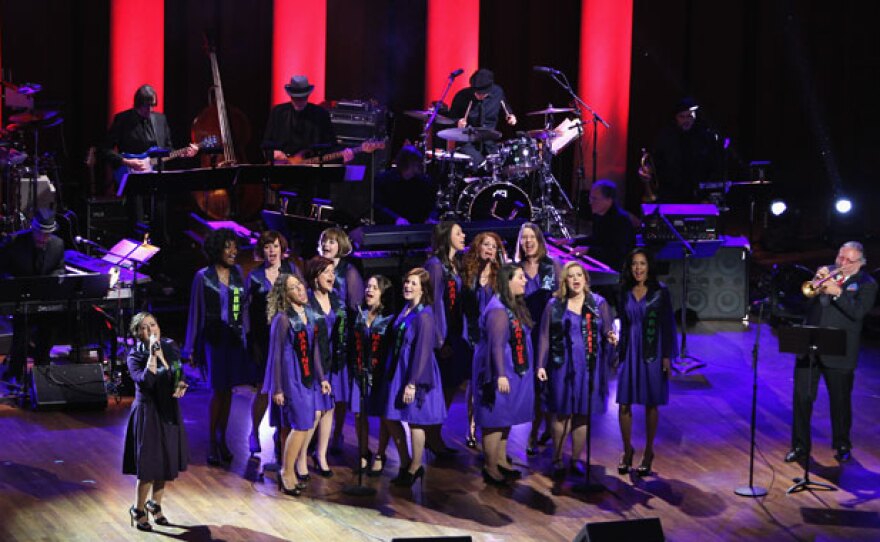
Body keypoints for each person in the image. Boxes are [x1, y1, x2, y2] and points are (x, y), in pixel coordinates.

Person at [785, 242, 877, 464]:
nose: (842, 263)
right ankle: (800, 446)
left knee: (840, 401)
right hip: (810, 345)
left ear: (860, 263)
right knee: (802, 398)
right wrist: (817, 284)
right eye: (840, 257)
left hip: (841, 350)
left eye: (848, 260)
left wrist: (838, 293)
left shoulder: (867, 284)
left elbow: (857, 313)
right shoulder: (825, 272)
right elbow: (803, 304)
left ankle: (842, 444)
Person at [536, 262, 617, 479]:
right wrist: (541, 365)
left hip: (589, 367)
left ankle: (575, 459)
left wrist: (611, 337)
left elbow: (608, 329)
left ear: (586, 279)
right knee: (562, 413)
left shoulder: (598, 304)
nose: (575, 279)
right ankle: (557, 458)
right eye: (571, 276)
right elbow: (544, 335)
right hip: (562, 366)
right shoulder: (554, 305)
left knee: (582, 414)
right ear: (565, 281)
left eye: (579, 275)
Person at [183, 228, 254, 466]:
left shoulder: (238, 273)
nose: (234, 252)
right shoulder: (202, 276)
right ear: (217, 249)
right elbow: (195, 312)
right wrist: (190, 348)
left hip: (233, 339)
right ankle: (213, 441)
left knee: (229, 391)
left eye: (235, 247)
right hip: (212, 340)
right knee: (218, 389)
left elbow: (242, 308)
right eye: (228, 247)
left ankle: (223, 439)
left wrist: (246, 336)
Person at [370, 268, 446, 487]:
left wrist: (412, 382)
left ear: (423, 288)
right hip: (397, 368)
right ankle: (405, 460)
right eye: (406, 282)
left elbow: (422, 351)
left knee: (415, 421)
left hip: (414, 371)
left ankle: (415, 466)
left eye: (413, 283)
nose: (407, 286)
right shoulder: (406, 309)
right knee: (389, 416)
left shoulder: (425, 315)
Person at [262, 273, 331, 497]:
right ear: (285, 294)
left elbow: (315, 351)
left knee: (292, 426)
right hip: (290, 378)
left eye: (300, 285)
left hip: (307, 377)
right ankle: (286, 471)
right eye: (294, 288)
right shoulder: (282, 319)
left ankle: (289, 473)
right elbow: (276, 356)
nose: (301, 290)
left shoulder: (308, 315)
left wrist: (322, 378)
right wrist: (278, 388)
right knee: (302, 424)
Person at [123, 312, 189, 531]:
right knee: (149, 465)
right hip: (148, 411)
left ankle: (155, 504)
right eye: (144, 327)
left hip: (168, 409)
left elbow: (178, 372)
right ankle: (138, 509)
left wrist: (181, 384)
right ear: (137, 333)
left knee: (166, 461)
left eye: (153, 324)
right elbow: (146, 381)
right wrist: (152, 355)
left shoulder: (170, 346)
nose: (150, 330)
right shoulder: (134, 356)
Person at [615, 248, 678, 477]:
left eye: (642, 263)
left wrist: (667, 356)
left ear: (649, 266)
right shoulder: (623, 291)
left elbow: (669, 325)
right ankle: (627, 450)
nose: (638, 268)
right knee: (624, 402)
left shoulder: (660, 292)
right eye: (634, 264)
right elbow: (622, 323)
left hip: (653, 349)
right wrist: (617, 351)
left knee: (652, 402)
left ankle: (649, 452)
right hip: (630, 349)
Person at [472, 263, 535, 485]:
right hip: (498, 371)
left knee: (505, 417)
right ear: (508, 281)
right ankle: (490, 467)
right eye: (520, 277)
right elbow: (496, 346)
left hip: (511, 370)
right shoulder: (498, 310)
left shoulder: (513, 306)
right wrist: (500, 374)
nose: (525, 281)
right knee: (494, 419)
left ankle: (501, 460)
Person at [244, 230, 303, 455]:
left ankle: (282, 432)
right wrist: (249, 338)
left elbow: (301, 297)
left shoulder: (291, 270)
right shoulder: (255, 275)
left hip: (288, 338)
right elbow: (247, 309)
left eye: (275, 246)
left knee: (285, 387)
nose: (272, 251)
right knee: (262, 389)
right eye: (268, 246)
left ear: (282, 248)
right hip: (262, 339)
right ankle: (254, 432)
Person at [0, 208, 66, 388]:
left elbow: (60, 268)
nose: (42, 238)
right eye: (39, 233)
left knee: (52, 325)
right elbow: (2, 269)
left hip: (44, 298)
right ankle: (15, 373)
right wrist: (10, 282)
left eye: (46, 234)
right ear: (33, 228)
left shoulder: (57, 245)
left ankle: (42, 371)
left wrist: (54, 279)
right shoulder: (15, 242)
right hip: (19, 299)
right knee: (22, 329)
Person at [513, 222, 562, 455]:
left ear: (540, 240)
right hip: (527, 333)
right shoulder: (515, 268)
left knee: (551, 385)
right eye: (524, 238)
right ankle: (533, 433)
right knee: (533, 387)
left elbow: (561, 299)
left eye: (532, 237)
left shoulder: (552, 266)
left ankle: (551, 433)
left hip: (550, 333)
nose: (528, 241)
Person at [101, 84, 197, 195]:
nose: (150, 109)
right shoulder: (123, 120)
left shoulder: (161, 119)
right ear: (137, 104)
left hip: (158, 181)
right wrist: (126, 162)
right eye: (147, 106)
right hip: (133, 181)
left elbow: (168, 150)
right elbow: (105, 149)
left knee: (159, 212)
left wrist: (183, 153)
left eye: (153, 105)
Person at [317, 227, 363, 453]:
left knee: (340, 389)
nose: (327, 245)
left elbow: (356, 308)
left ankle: (337, 434)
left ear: (341, 246)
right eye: (325, 241)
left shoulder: (349, 272)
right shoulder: (315, 267)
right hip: (319, 333)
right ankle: (317, 438)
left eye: (333, 242)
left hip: (341, 337)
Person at [424, 221, 468, 453]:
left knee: (452, 384)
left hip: (454, 331)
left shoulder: (455, 264)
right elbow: (432, 303)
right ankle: (431, 437)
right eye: (458, 233)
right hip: (442, 335)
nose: (463, 236)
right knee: (442, 387)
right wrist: (439, 340)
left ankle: (435, 434)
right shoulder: (435, 265)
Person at [460, 231, 507, 447]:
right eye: (486, 245)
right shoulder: (468, 271)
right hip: (473, 332)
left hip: (494, 333)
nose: (489, 249)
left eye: (493, 246)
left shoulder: (502, 275)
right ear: (478, 247)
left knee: (492, 377)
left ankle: (492, 427)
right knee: (473, 380)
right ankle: (470, 426)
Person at [349, 275, 395, 475]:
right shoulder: (359, 314)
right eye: (368, 286)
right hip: (360, 371)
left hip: (380, 374)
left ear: (382, 293)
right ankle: (362, 452)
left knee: (384, 417)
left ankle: (380, 454)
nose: (369, 290)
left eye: (374, 288)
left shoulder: (389, 318)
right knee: (360, 414)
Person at [637, 97, 722, 203]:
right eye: (682, 117)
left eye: (689, 116)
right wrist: (646, 170)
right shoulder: (665, 138)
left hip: (698, 195)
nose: (686, 120)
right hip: (670, 195)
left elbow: (714, 167)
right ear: (676, 118)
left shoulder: (705, 138)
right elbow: (655, 161)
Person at [304, 256, 344, 477]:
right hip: (312, 362)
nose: (331, 276)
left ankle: (321, 455)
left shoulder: (336, 299)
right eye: (326, 272)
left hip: (332, 361)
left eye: (332, 272)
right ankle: (301, 456)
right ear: (315, 276)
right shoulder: (308, 301)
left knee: (329, 408)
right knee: (316, 411)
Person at [262, 75, 353, 163]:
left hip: (312, 170)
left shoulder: (321, 114)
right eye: (296, 97)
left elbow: (331, 146)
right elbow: (266, 144)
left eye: (302, 97)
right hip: (282, 168)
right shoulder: (278, 112)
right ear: (290, 95)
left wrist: (343, 156)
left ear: (308, 95)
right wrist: (272, 153)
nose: (299, 101)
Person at [447, 68, 517, 167]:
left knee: (502, 166)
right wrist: (457, 122)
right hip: (468, 143)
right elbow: (450, 117)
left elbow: (505, 106)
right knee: (480, 165)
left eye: (483, 93)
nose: (479, 96)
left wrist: (511, 115)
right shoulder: (462, 96)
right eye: (477, 93)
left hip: (489, 143)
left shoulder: (498, 92)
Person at [569, 180, 636, 273]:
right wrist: (572, 241)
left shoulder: (621, 220)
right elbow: (596, 239)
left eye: (594, 199)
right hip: (602, 265)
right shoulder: (599, 215)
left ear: (609, 200)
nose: (590, 202)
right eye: (590, 198)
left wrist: (589, 250)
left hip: (617, 271)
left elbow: (618, 254)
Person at [374, 145, 437, 225]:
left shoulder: (425, 182)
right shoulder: (383, 180)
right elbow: (378, 207)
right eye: (416, 162)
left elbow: (432, 207)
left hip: (417, 228)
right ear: (408, 163)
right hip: (391, 228)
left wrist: (430, 218)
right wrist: (396, 219)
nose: (421, 164)